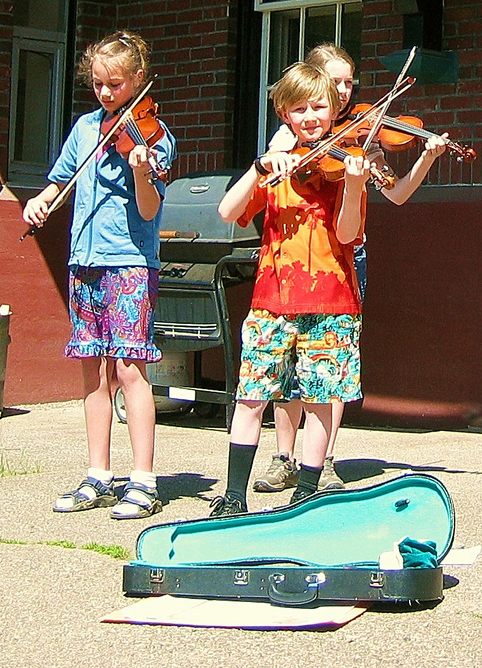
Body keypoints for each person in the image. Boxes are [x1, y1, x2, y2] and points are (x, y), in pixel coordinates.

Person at [255, 43, 447, 494]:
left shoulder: (358, 139)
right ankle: (284, 455)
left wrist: (426, 157)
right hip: (292, 255)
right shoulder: (291, 136)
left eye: (348, 82)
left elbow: (396, 193)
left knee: (329, 363)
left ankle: (321, 459)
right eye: (334, 82)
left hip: (344, 256)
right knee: (287, 365)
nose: (344, 92)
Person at [25, 31, 177, 520]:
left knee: (131, 369)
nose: (107, 94)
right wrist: (41, 200)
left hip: (130, 261)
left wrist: (139, 173)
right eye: (98, 85)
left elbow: (151, 208)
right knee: (94, 370)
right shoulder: (87, 128)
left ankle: (145, 480)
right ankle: (97, 474)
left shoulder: (154, 135)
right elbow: (59, 179)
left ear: (137, 79)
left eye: (115, 84)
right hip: (83, 259)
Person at [211, 61, 369, 515]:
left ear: (335, 109)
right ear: (284, 115)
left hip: (332, 302)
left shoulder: (343, 167)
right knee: (251, 396)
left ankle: (306, 492)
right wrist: (259, 166)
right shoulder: (276, 167)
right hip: (272, 301)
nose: (310, 117)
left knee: (321, 400)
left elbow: (346, 234)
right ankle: (234, 495)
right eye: (298, 109)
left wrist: (355, 185)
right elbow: (226, 211)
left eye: (319, 106)